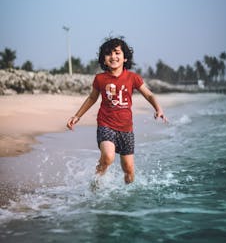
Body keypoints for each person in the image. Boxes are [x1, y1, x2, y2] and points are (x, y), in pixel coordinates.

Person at [67, 37, 167, 184]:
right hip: (105, 124)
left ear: (125, 57)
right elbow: (92, 98)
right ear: (104, 59)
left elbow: (149, 94)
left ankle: (127, 198)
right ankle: (95, 183)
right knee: (108, 157)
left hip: (126, 129)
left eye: (117, 52)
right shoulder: (100, 79)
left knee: (129, 169)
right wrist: (77, 116)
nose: (113, 56)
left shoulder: (133, 78)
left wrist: (159, 109)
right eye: (108, 54)